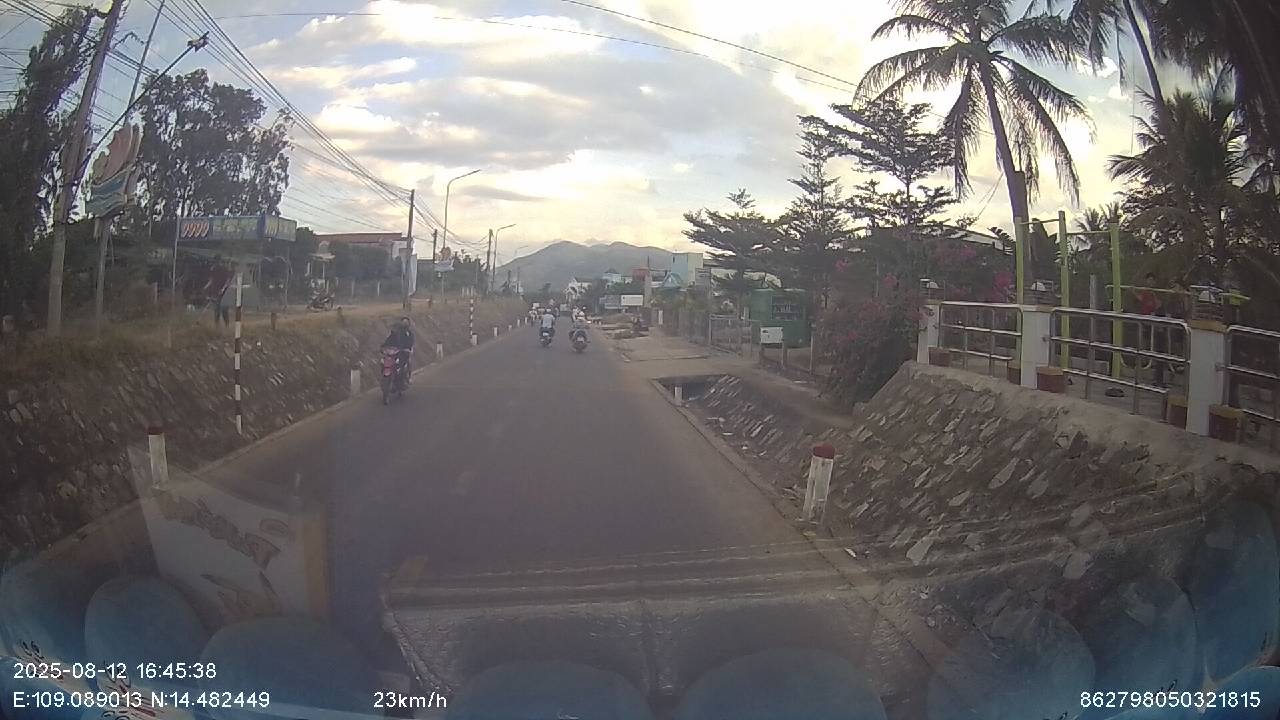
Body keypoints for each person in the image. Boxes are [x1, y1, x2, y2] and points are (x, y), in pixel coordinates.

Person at [382, 316, 415, 382]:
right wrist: (384, 347)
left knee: (408, 362)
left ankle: (409, 377)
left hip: (404, 352)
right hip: (395, 351)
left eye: (406, 322)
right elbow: (388, 340)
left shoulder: (409, 333)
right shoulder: (396, 332)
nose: (404, 323)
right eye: (403, 322)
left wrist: (409, 349)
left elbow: (411, 342)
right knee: (385, 360)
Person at [203, 261, 233, 327]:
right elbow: (211, 280)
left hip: (224, 293)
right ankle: (217, 326)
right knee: (217, 310)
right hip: (216, 292)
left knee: (224, 309)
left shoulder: (224, 269)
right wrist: (206, 287)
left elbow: (228, 281)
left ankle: (226, 325)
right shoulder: (213, 269)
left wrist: (223, 289)